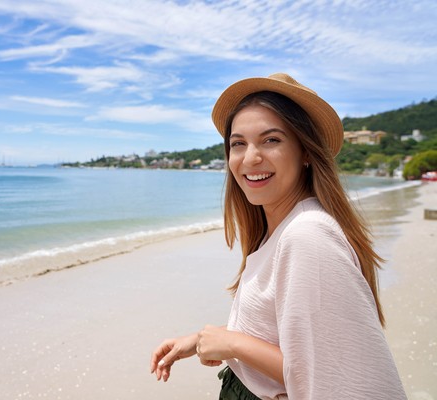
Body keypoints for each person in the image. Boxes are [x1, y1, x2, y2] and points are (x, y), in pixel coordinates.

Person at [150, 73, 406, 399]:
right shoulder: (283, 230)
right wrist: (203, 339)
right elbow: (295, 342)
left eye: (271, 140)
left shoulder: (307, 235)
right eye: (238, 143)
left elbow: (335, 375)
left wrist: (232, 343)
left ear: (307, 152)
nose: (250, 157)